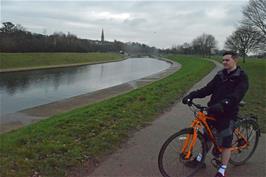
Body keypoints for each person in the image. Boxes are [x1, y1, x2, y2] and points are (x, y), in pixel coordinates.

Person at [182, 51, 249, 177]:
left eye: (227, 60)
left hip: (228, 112)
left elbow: (237, 95)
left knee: (226, 142)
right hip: (213, 110)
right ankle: (200, 160)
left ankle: (222, 169)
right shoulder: (220, 75)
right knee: (207, 136)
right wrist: (192, 95)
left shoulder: (242, 77)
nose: (224, 62)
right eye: (223, 60)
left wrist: (223, 104)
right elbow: (207, 89)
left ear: (235, 60)